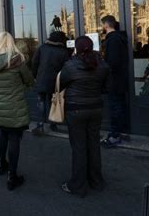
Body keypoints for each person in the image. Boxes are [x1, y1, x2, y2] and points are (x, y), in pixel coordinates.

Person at [59, 36, 109, 197]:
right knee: (94, 145)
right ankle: (96, 181)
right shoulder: (102, 64)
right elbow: (106, 86)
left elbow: (61, 84)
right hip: (95, 108)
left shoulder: (70, 65)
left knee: (79, 147)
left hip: (76, 110)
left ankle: (78, 185)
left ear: (77, 49)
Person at [0, 32, 35, 191]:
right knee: (14, 138)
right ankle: (12, 177)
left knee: (3, 134)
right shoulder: (17, 61)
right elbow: (29, 81)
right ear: (11, 43)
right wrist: (22, 87)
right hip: (14, 107)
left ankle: (1, 163)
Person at [31, 31, 70, 135]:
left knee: (41, 102)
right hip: (55, 82)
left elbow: (34, 62)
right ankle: (53, 123)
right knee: (54, 102)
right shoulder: (63, 51)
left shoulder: (42, 48)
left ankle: (40, 125)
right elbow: (66, 68)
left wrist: (35, 76)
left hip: (42, 79)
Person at [100, 15, 129, 147]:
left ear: (106, 25)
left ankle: (115, 135)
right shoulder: (120, 38)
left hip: (114, 81)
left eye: (102, 25)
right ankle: (119, 132)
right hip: (121, 80)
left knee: (115, 107)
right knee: (119, 105)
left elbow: (112, 63)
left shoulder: (112, 40)